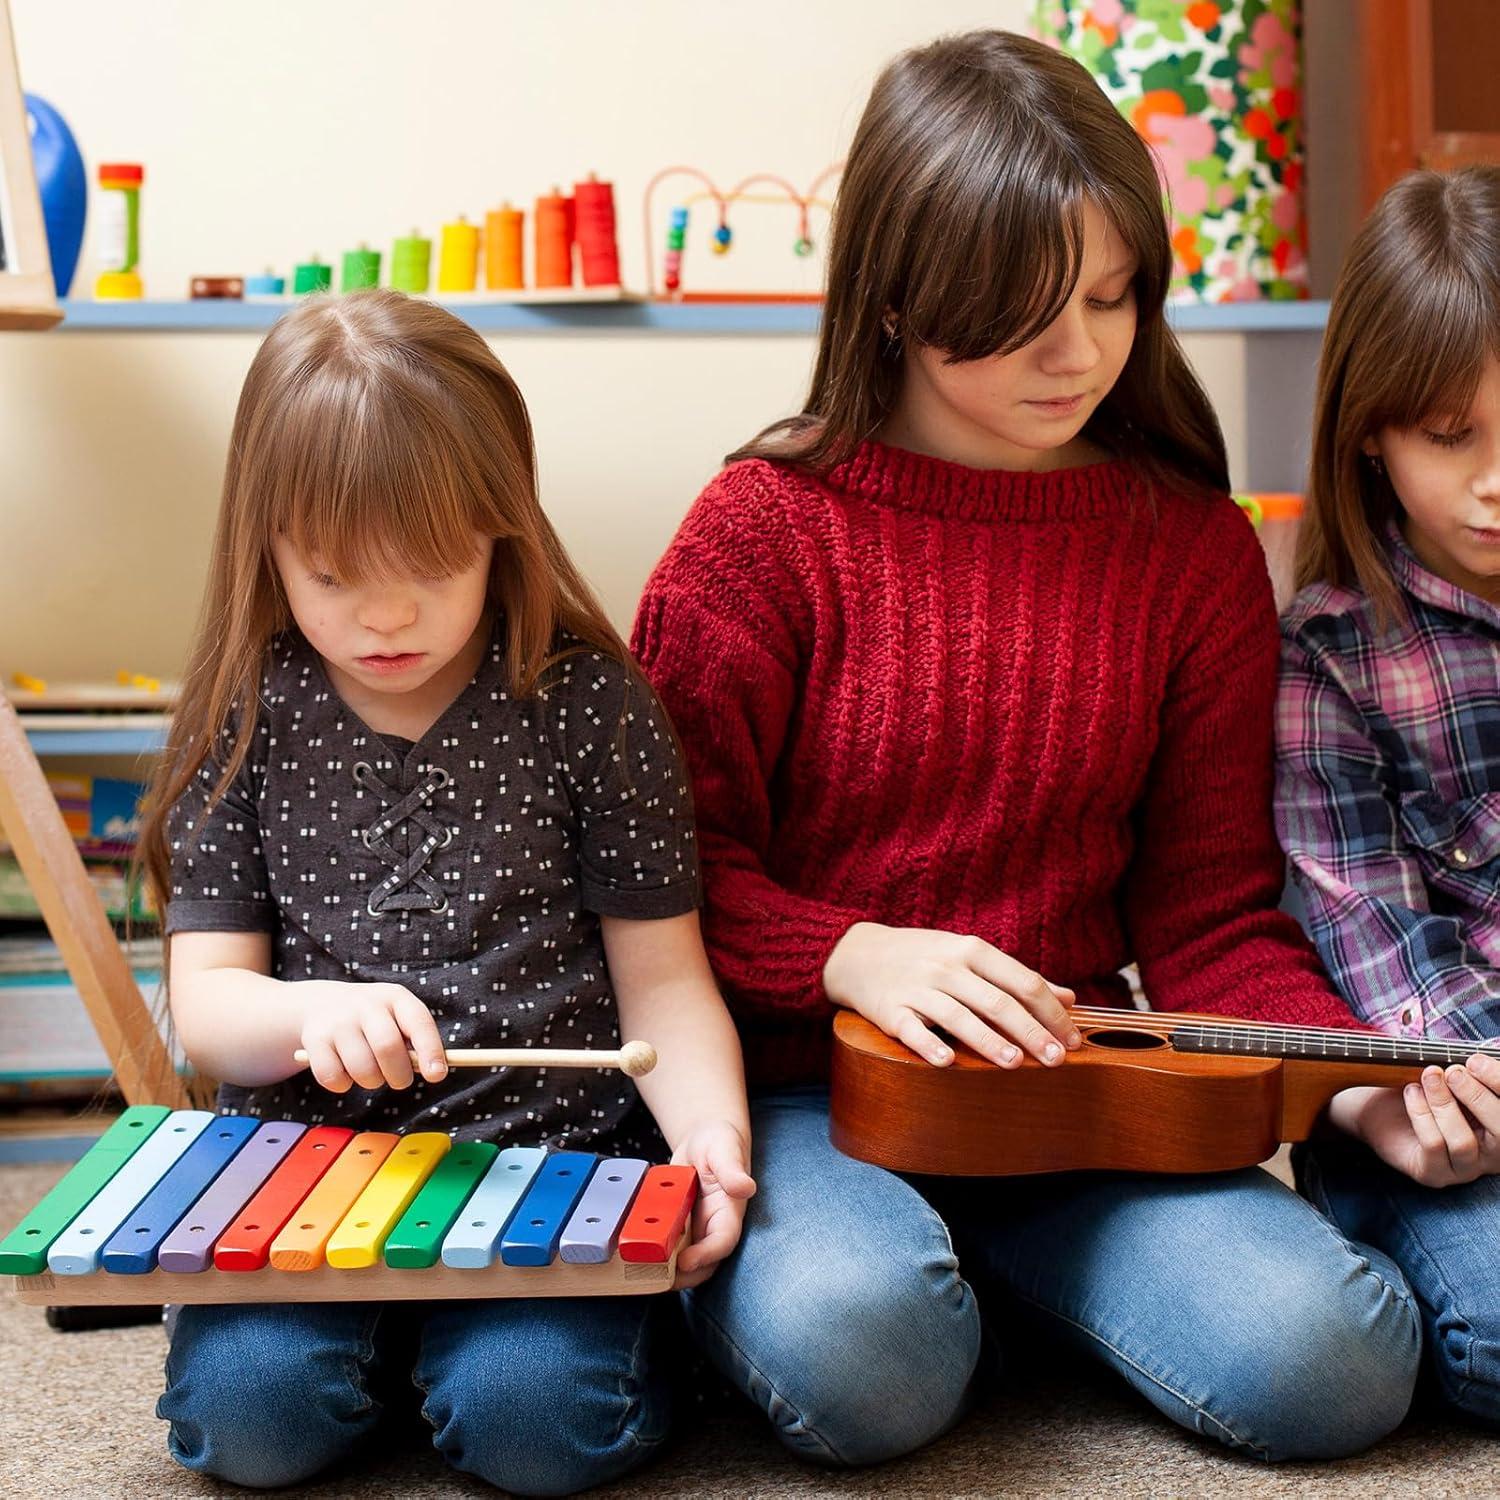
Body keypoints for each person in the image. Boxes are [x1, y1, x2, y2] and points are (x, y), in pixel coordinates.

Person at [633, 29, 1453, 1468]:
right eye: (1017, 315)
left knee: (1338, 1361)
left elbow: (1208, 920)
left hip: (1071, 1097)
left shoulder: (1188, 548)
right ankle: (905, 1291)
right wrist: (856, 951)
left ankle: (992, 1291)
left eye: (1114, 294)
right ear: (896, 298)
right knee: (866, 1353)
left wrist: (1367, 1076)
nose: (1080, 353)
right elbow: (663, 886)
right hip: (807, 1094)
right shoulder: (759, 533)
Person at [138, 289, 755, 1494]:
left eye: (429, 564)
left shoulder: (591, 709)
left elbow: (666, 983)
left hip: (548, 1166)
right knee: (249, 1426)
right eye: (330, 573)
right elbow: (208, 1004)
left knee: (536, 1426)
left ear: (501, 529)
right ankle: (397, 1359)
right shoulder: (243, 714)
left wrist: (712, 1147)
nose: (383, 614)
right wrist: (308, 1017)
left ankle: (500, 1361)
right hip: (306, 1175)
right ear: (263, 545)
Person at [1276, 165, 1500, 1426]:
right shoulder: (1331, 652)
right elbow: (1372, 942)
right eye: (1450, 435)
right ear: (1371, 426)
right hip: (1440, 1112)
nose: (1495, 484)